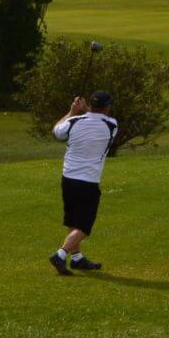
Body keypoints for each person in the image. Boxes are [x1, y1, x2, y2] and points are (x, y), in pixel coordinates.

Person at [48, 89, 119, 276]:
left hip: (68, 179)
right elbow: (96, 116)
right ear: (107, 108)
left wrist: (73, 110)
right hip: (88, 182)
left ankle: (77, 258)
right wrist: (85, 108)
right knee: (84, 226)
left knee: (74, 221)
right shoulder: (112, 125)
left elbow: (57, 132)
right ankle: (60, 254)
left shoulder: (72, 122)